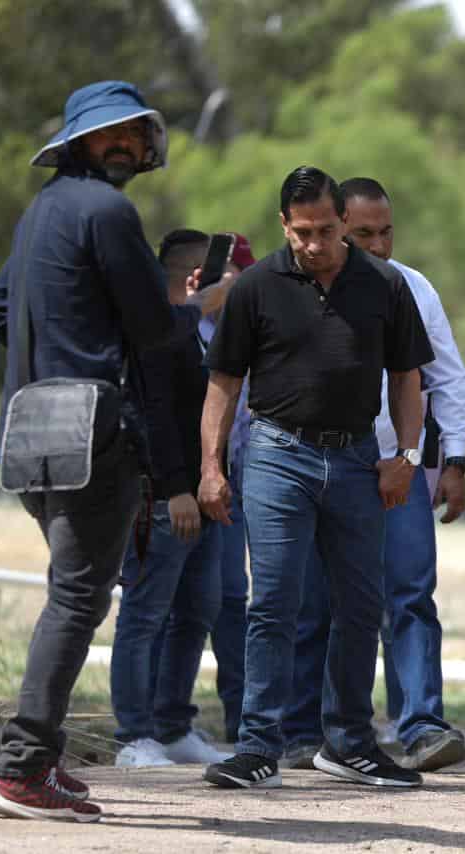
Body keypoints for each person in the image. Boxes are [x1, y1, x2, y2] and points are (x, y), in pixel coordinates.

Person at [0, 80, 229, 822]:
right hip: (91, 430)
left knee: (72, 592)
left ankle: (39, 759)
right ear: (80, 140)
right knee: (79, 597)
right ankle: (22, 769)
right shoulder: (110, 211)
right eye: (108, 134)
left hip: (27, 428)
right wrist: (201, 307)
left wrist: (62, 348)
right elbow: (156, 331)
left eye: (132, 134)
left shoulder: (40, 214)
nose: (123, 145)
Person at [198, 166, 433, 790]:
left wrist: (407, 459)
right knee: (273, 602)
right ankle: (257, 746)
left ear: (344, 224)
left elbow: (408, 379)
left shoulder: (384, 284)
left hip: (358, 458)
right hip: (278, 454)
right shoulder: (255, 286)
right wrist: (211, 468)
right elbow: (223, 383)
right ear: (284, 225)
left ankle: (351, 742)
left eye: (326, 230)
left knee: (361, 604)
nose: (313, 243)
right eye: (301, 232)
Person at [282, 177, 465, 772]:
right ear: (337, 227)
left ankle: (420, 725)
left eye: (387, 231)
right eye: (364, 233)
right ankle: (301, 730)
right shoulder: (296, 288)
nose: (380, 244)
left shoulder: (413, 288)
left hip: (401, 467)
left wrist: (454, 462)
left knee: (410, 594)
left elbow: (445, 378)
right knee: (313, 599)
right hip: (318, 466)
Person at [110, 229, 236, 768]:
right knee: (145, 614)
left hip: (208, 497)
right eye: (219, 275)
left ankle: (171, 722)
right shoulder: (157, 330)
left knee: (197, 611)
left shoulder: (201, 331)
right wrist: (175, 488)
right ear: (194, 276)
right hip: (165, 498)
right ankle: (133, 735)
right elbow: (155, 414)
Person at [205, 233, 258, 743]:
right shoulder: (189, 324)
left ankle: (246, 715)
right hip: (205, 476)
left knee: (244, 597)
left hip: (251, 472)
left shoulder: (257, 323)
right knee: (217, 595)